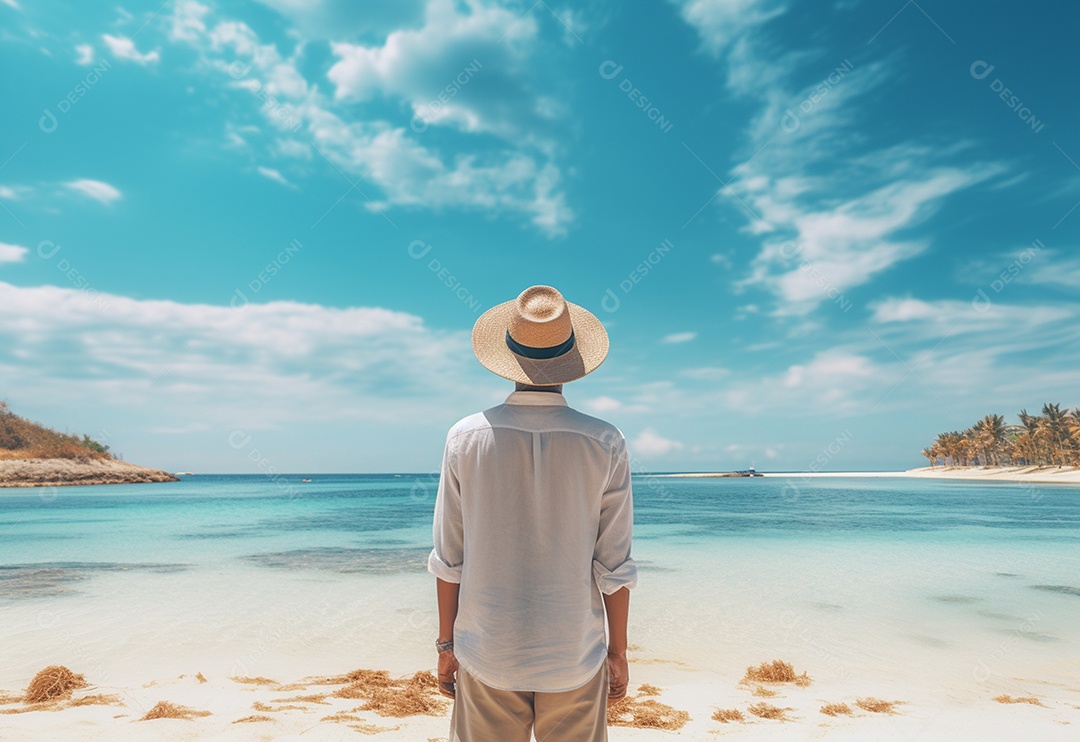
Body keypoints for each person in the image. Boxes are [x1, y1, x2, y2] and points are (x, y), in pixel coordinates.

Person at [428, 285, 638, 741]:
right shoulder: (604, 441)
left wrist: (447, 646)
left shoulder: (465, 437)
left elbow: (450, 557)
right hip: (573, 653)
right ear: (573, 359)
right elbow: (614, 565)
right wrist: (617, 653)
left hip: (487, 649)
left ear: (507, 354)